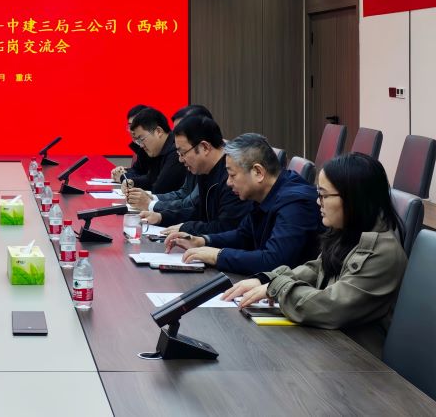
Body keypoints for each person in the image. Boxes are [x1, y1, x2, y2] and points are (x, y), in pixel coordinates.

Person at [223, 153, 407, 356]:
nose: (318, 202)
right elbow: (315, 269)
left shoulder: (382, 253)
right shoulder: (348, 232)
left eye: (324, 195)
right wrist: (267, 280)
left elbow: (331, 306)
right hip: (329, 346)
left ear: (353, 198)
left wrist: (277, 288)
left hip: (357, 361)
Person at [166, 133, 322, 275]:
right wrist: (203, 240)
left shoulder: (296, 204)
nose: (228, 182)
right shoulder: (265, 193)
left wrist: (217, 256)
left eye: (232, 175)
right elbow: (243, 235)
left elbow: (273, 261)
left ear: (258, 172)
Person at [141, 115, 250, 235]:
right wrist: (162, 217)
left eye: (183, 153)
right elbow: (198, 212)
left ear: (205, 147)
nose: (180, 160)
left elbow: (225, 228)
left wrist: (186, 228)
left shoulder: (232, 177)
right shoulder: (205, 170)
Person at [127, 105, 214, 217]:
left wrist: (151, 204)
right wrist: (152, 198)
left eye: (179, 132)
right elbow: (183, 192)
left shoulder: (218, 161)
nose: (175, 136)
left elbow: (191, 204)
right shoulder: (190, 154)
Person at [120, 107, 186, 194]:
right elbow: (151, 179)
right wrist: (132, 182)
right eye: (138, 141)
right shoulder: (158, 150)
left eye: (141, 139)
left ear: (158, 131)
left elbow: (159, 189)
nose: (141, 145)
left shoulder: (175, 151)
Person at [111, 104, 153, 183]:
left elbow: (151, 179)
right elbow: (138, 171)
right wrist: (123, 171)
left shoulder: (157, 148)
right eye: (130, 126)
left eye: (135, 125)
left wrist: (123, 177)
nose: (132, 130)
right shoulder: (141, 146)